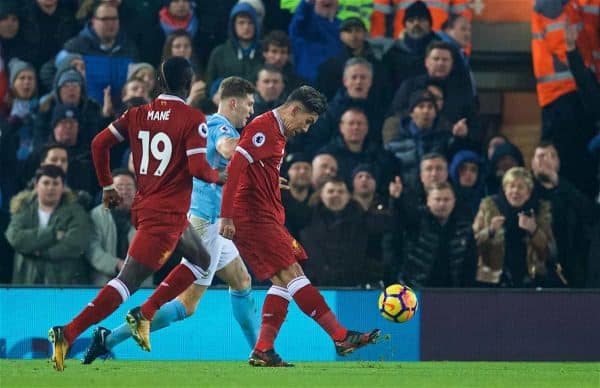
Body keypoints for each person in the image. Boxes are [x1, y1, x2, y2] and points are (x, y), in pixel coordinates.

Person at [48, 57, 221, 372]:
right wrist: (225, 175)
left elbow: (99, 144)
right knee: (125, 283)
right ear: (189, 82)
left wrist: (107, 186)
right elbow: (198, 169)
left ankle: (146, 311)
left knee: (201, 260)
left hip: (151, 207)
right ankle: (69, 333)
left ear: (160, 80)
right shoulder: (192, 117)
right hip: (165, 214)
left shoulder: (137, 113)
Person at [81, 76, 260, 364]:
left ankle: (259, 352)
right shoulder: (222, 128)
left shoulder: (205, 122)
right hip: (205, 223)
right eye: (250, 104)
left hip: (207, 220)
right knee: (187, 305)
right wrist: (255, 155)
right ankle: (109, 338)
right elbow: (228, 147)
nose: (251, 112)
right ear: (234, 102)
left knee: (241, 280)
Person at [219, 86, 380, 367]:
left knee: (285, 279)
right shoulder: (264, 128)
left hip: (266, 212)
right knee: (292, 274)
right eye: (306, 121)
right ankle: (340, 336)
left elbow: (254, 167)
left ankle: (263, 350)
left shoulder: (276, 131)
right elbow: (235, 167)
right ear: (294, 109)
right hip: (252, 215)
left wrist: (269, 180)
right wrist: (226, 216)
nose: (305, 129)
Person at [5, 164, 91, 285]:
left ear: (63, 187)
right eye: (46, 183)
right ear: (36, 186)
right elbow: (15, 238)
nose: (51, 188)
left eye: (55, 183)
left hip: (65, 282)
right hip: (26, 280)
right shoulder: (22, 208)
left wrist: (40, 252)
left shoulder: (76, 212)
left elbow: (76, 242)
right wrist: (53, 235)